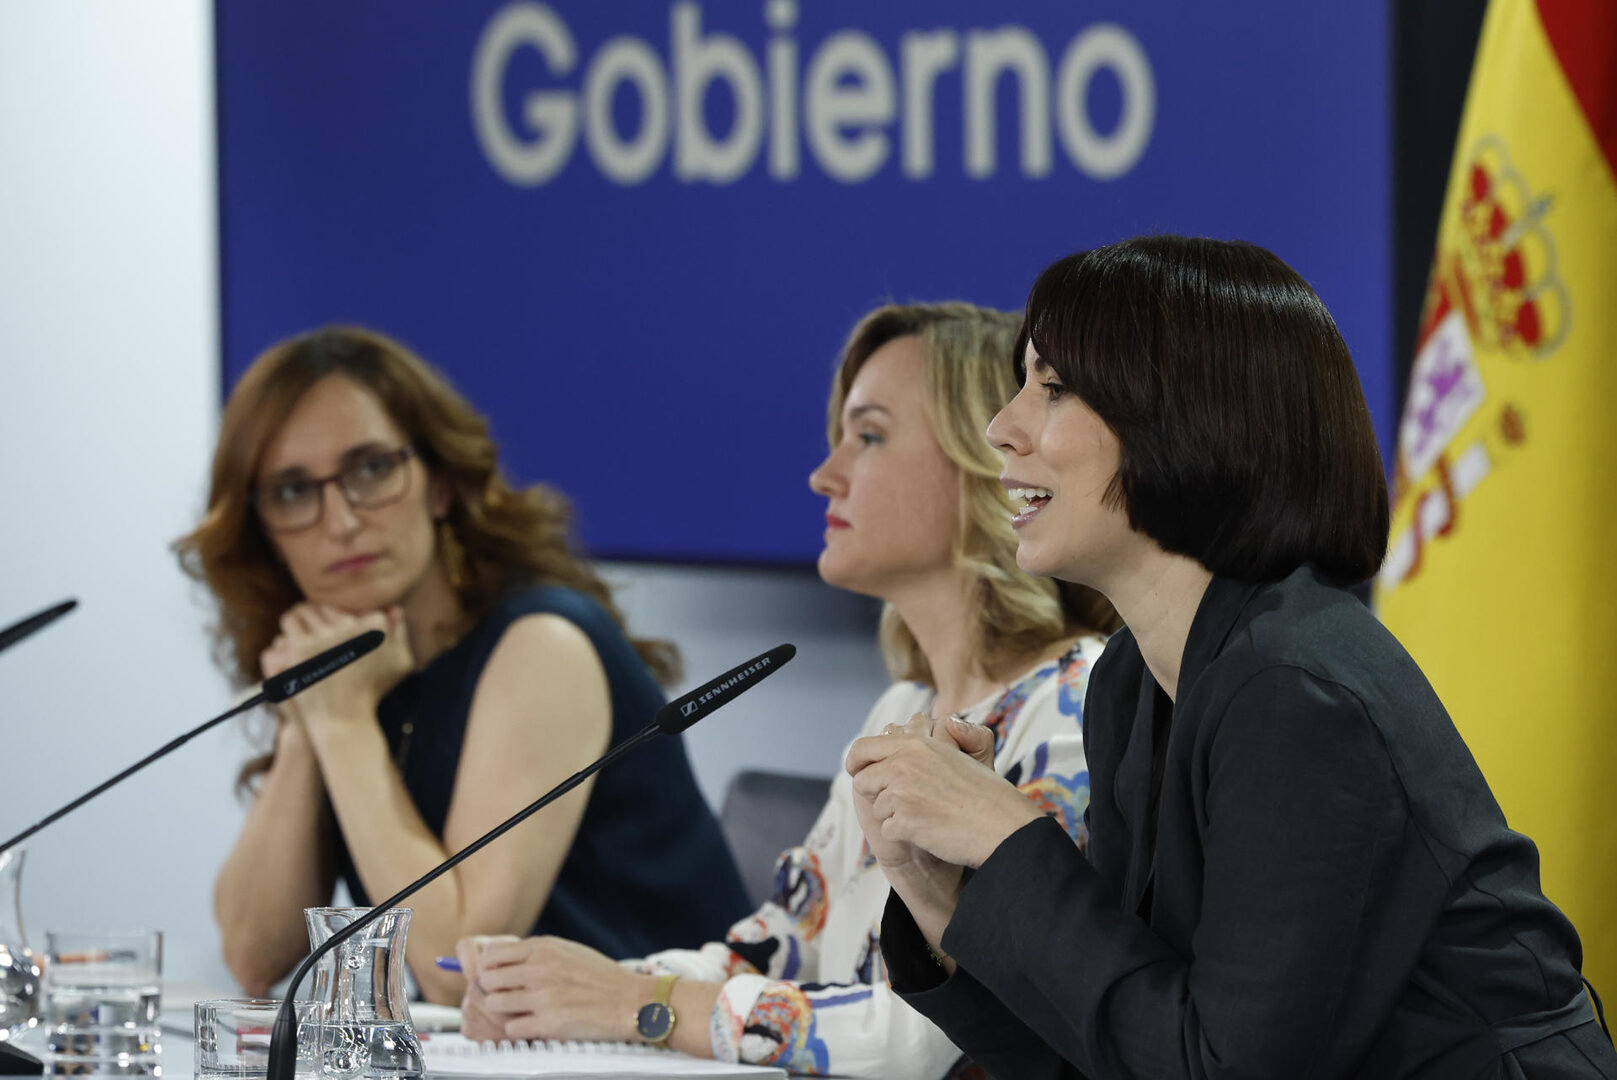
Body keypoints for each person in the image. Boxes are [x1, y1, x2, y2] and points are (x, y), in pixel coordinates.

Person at [846, 236, 1617, 1078]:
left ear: (1185, 420)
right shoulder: (1128, 681)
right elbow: (1115, 1048)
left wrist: (1009, 841)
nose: (1001, 428)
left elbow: (1222, 1068)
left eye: (1054, 388)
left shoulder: (1295, 690)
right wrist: (937, 892)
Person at [453, 302, 1118, 1078]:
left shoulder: (1075, 703)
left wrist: (635, 1005)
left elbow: (938, 1033)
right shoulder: (904, 708)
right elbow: (776, 949)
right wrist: (555, 988)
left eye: (869, 436)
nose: (823, 475)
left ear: (985, 459)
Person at [176, 326, 749, 1005]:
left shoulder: (543, 643)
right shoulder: (360, 673)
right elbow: (253, 955)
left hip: (675, 1044)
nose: (341, 520)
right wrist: (310, 721)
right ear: (263, 532)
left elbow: (455, 968)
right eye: (293, 491)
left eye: (371, 469)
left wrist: (342, 724)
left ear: (440, 485)